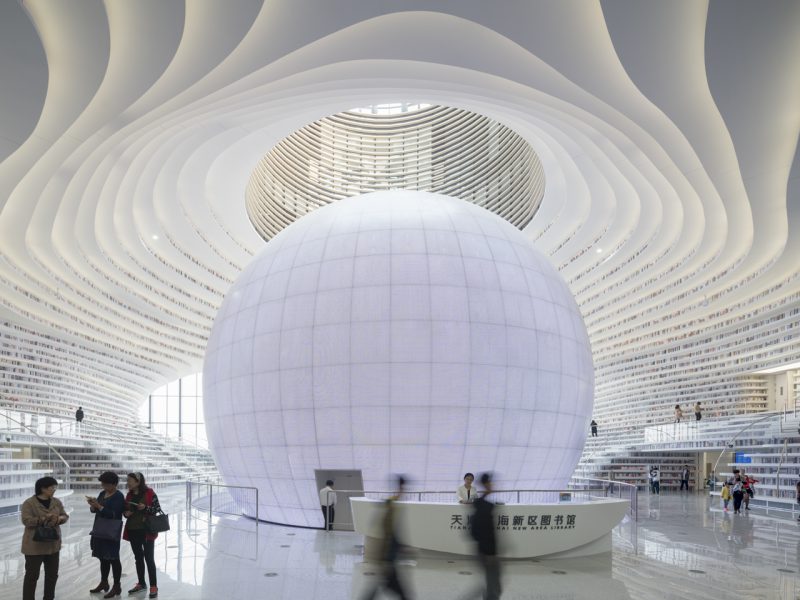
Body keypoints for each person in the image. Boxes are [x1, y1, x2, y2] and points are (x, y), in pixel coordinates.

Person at [360, 475, 412, 600]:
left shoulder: (392, 504)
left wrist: (401, 547)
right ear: (400, 487)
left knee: (379, 585)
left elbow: (391, 531)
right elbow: (387, 532)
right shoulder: (390, 505)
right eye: (403, 488)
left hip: (387, 556)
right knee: (399, 591)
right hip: (386, 556)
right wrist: (387, 555)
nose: (404, 491)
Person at [21, 476, 68, 600]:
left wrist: (59, 519)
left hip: (53, 545)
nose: (54, 489)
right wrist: (44, 518)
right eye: (52, 487)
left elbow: (65, 515)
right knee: (32, 576)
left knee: (52, 575)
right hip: (34, 546)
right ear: (43, 488)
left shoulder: (56, 502)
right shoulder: (29, 503)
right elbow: (26, 521)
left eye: (55, 487)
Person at [123, 473, 161, 598]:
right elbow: (125, 510)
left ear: (138, 481)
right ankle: (141, 583)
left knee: (149, 559)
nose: (128, 483)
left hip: (147, 531)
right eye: (127, 480)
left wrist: (145, 508)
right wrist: (126, 513)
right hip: (133, 530)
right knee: (138, 558)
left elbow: (156, 509)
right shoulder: (129, 495)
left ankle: (153, 586)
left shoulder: (150, 493)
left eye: (130, 480)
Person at [88, 471, 125, 597]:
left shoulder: (118, 496)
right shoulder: (102, 493)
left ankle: (117, 585)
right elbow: (95, 510)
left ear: (114, 484)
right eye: (103, 484)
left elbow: (114, 514)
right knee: (102, 557)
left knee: (113, 558)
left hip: (111, 530)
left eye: (106, 484)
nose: (104, 486)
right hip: (100, 528)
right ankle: (104, 582)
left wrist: (99, 506)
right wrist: (93, 506)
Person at [470, 472, 502, 600]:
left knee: (493, 584)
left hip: (486, 552)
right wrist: (490, 554)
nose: (493, 484)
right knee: (494, 586)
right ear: (487, 484)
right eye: (491, 482)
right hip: (487, 553)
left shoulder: (481, 504)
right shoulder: (485, 507)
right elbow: (485, 532)